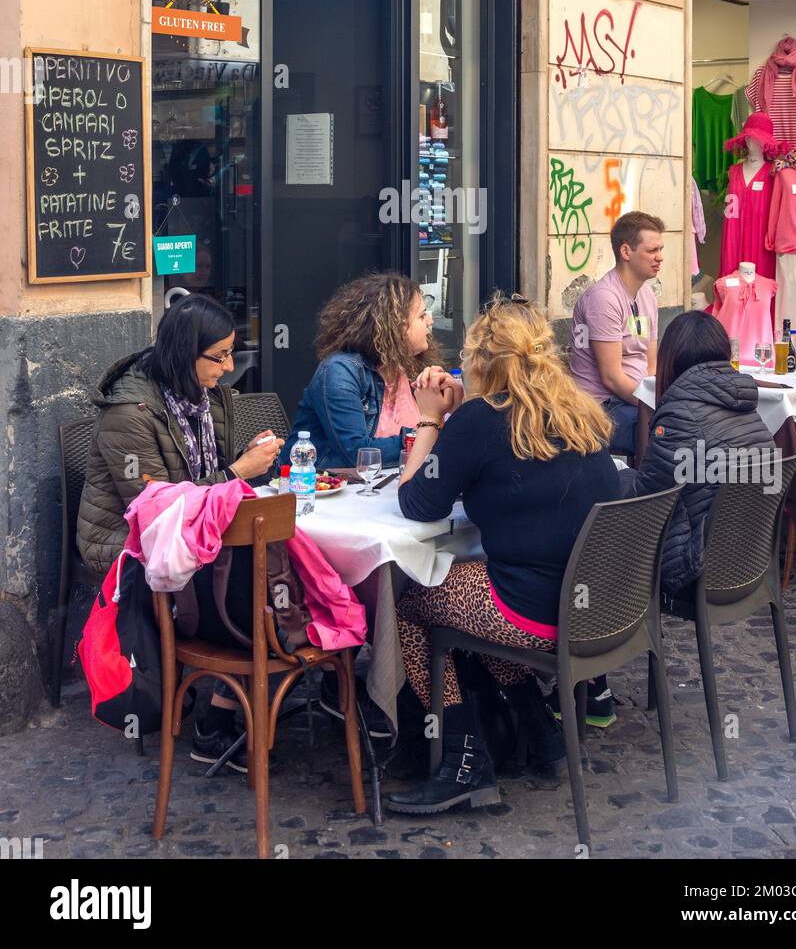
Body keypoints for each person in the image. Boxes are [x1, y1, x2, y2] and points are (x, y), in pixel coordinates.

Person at [386, 293, 625, 816]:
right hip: (605, 609)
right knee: (478, 590)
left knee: (412, 600)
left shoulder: (481, 420)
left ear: (479, 362)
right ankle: (541, 732)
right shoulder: (577, 410)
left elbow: (417, 502)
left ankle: (461, 760)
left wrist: (431, 420)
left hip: (541, 613)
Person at [78, 293, 284, 770]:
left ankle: (234, 696)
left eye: (233, 352)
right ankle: (217, 717)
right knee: (253, 586)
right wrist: (237, 471)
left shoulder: (204, 396)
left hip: (189, 524)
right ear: (184, 353)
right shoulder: (130, 412)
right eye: (220, 356)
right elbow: (154, 510)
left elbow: (207, 478)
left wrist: (244, 461)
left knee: (275, 564)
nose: (230, 367)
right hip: (125, 541)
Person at [621, 312, 774, 597]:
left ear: (670, 358)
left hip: (696, 568)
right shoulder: (744, 404)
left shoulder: (680, 414)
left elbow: (646, 503)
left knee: (612, 495)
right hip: (750, 559)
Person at [290, 272, 438, 470]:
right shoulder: (340, 371)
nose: (430, 321)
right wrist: (428, 434)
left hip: (389, 481)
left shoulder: (412, 367)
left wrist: (445, 402)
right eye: (421, 315)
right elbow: (358, 453)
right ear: (396, 326)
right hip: (326, 489)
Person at [569, 211, 664, 455]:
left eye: (660, 250)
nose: (659, 258)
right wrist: (655, 405)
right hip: (601, 406)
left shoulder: (647, 295)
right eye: (652, 251)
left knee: (689, 424)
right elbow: (611, 377)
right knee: (668, 432)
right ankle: (651, 491)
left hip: (635, 401)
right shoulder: (604, 298)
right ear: (626, 252)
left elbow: (651, 366)